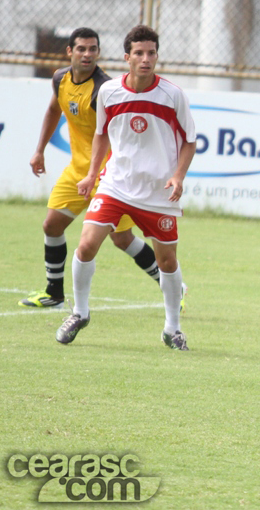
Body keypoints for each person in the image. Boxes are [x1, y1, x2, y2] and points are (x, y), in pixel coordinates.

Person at [54, 25, 196, 351]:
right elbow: (102, 134)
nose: (146, 60)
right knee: (87, 244)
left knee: (168, 262)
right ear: (127, 57)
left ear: (157, 56)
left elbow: (189, 141)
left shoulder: (173, 95)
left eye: (151, 53)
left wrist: (178, 177)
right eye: (139, 54)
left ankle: (172, 328)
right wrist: (92, 175)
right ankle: (80, 313)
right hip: (116, 184)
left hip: (158, 193)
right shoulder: (109, 92)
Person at [20, 27, 165, 309]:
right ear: (69, 52)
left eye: (93, 49)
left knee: (122, 239)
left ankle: (170, 283)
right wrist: (39, 150)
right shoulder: (60, 79)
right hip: (78, 171)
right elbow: (54, 110)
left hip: (108, 175)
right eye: (82, 49)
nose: (88, 54)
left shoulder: (105, 90)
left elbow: (115, 135)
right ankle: (54, 293)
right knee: (52, 225)